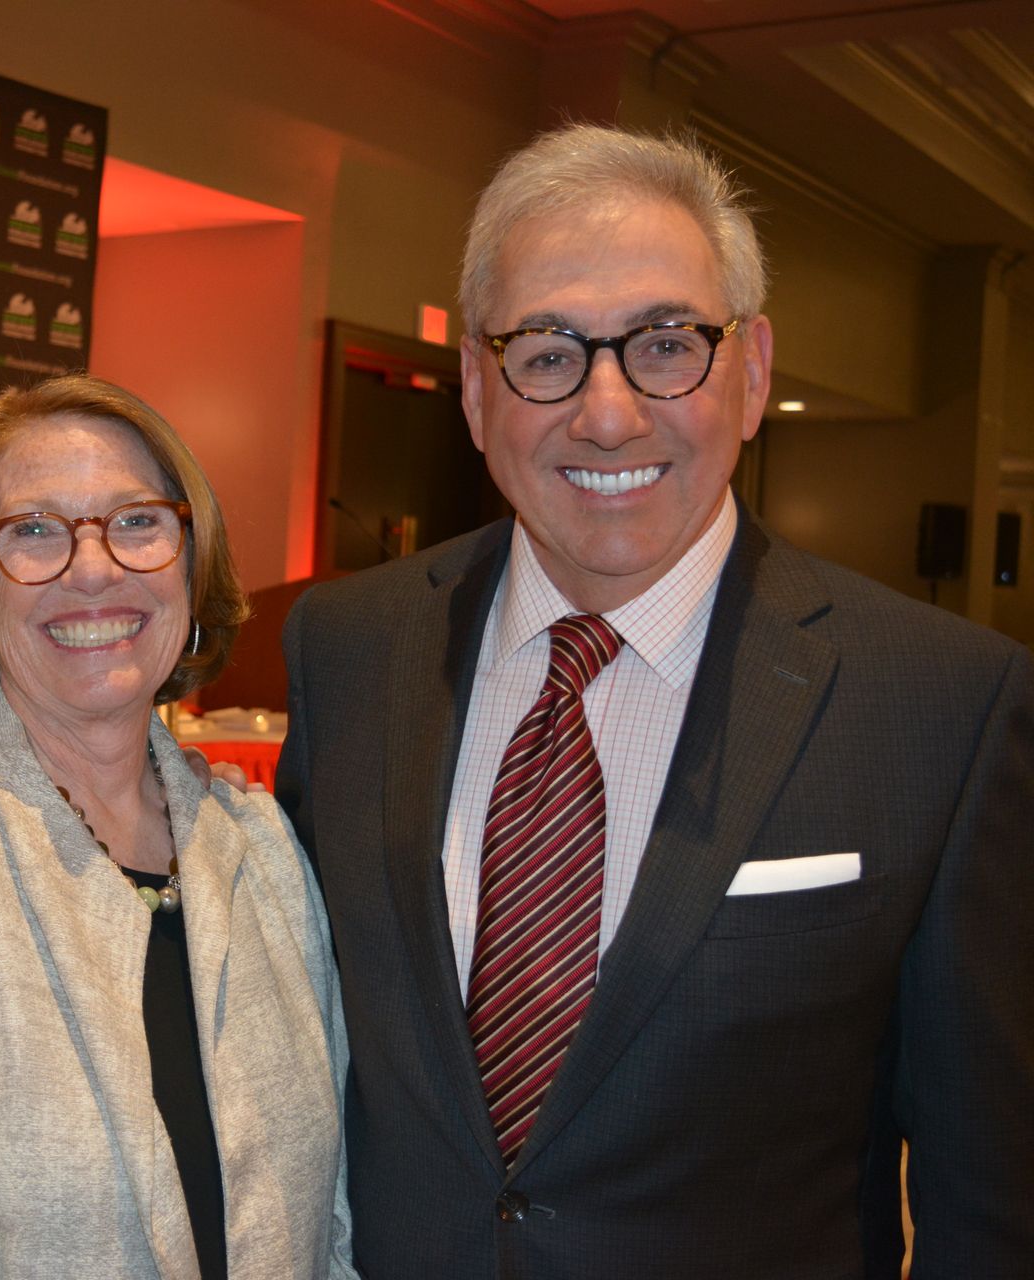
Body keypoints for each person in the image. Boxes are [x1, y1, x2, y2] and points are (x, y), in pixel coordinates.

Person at [278, 124, 1034, 1278]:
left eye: (667, 344)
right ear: (478, 390)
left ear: (754, 372)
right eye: (547, 352)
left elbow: (993, 1195)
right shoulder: (347, 648)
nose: (610, 410)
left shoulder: (946, 702)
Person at [0, 375, 356, 1278]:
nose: (94, 570)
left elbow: (336, 1228)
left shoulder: (262, 849)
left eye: (136, 523)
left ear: (189, 569)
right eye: (34, 532)